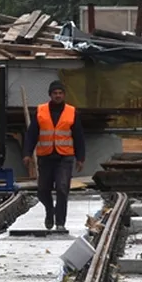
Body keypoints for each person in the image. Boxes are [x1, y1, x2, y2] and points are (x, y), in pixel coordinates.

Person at [23, 80, 86, 231]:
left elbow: (79, 136)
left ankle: (60, 222)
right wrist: (27, 154)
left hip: (65, 158)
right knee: (43, 190)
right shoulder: (40, 111)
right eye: (55, 93)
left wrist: (81, 158)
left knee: (62, 188)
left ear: (64, 95)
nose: (58, 96)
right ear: (50, 95)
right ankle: (49, 211)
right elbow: (31, 135)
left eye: (60, 93)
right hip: (45, 157)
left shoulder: (72, 112)